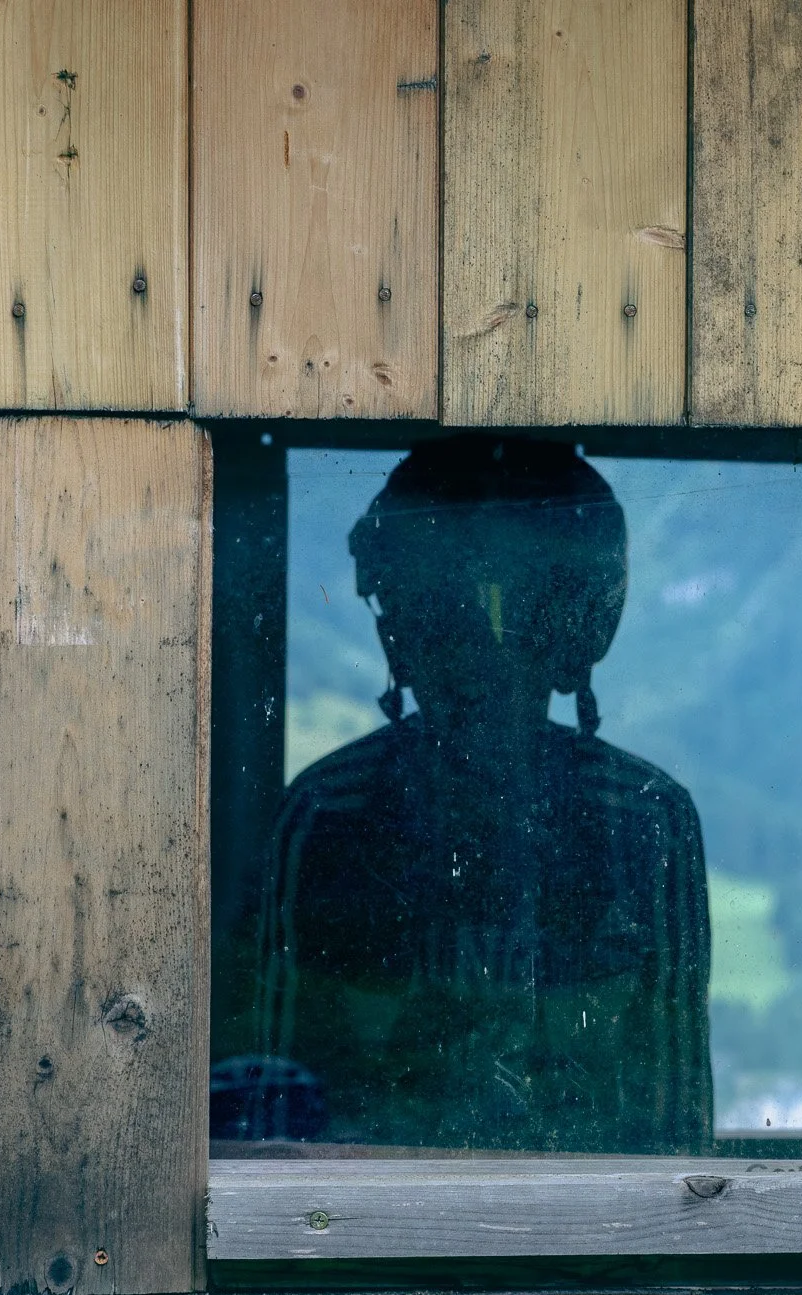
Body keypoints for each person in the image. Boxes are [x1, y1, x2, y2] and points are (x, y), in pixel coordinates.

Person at [244, 434, 712, 1153]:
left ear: (567, 630)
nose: (472, 653)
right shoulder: (326, 817)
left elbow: (675, 1142)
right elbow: (275, 1120)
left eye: (506, 617)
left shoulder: (646, 820)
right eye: (439, 614)